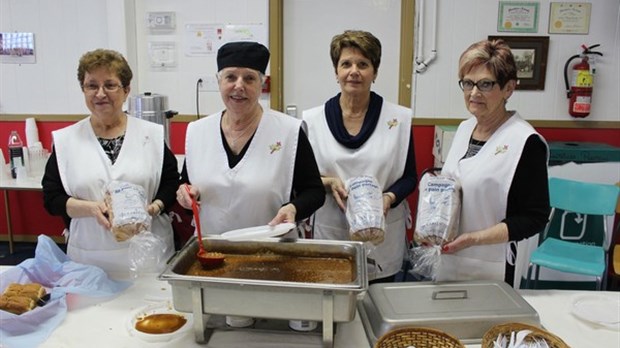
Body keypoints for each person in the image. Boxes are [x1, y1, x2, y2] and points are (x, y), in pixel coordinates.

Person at [42, 49, 179, 279]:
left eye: (110, 85)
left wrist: (153, 208)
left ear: (126, 90)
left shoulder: (151, 135)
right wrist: (90, 208)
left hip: (148, 256)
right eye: (91, 85)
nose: (100, 93)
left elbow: (171, 183)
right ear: (83, 90)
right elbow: (51, 198)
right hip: (90, 259)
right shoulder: (66, 140)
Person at [176, 41, 325, 240]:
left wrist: (293, 208)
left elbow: (314, 191)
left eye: (249, 78)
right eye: (230, 77)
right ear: (218, 81)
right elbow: (186, 185)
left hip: (272, 251)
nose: (239, 86)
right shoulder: (198, 132)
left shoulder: (289, 131)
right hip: (212, 252)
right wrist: (185, 195)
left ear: (261, 84)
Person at [302, 30, 417, 283]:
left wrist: (388, 197)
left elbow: (409, 177)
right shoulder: (312, 120)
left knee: (378, 307)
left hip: (382, 234)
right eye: (346, 64)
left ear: (374, 72)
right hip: (332, 231)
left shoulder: (398, 120)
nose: (354, 71)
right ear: (336, 72)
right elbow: (302, 180)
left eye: (363, 64)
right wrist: (328, 183)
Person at [438, 39, 551, 287]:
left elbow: (535, 217)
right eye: (468, 83)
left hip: (492, 264)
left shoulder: (526, 142)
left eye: (485, 84)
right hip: (448, 258)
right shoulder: (465, 128)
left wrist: (474, 239)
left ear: (508, 88)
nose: (474, 92)